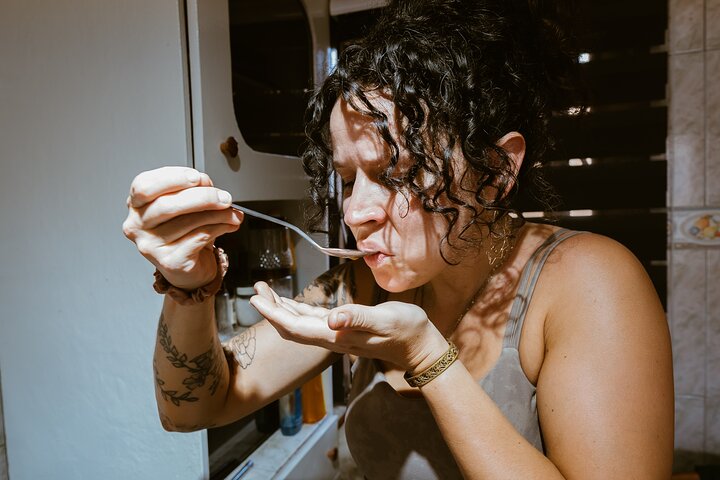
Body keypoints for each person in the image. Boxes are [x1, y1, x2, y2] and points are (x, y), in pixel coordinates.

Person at [122, 0, 674, 477]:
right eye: (347, 179)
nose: (355, 212)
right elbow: (191, 408)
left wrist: (426, 354)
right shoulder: (362, 284)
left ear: (495, 171)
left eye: (398, 173)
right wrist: (187, 286)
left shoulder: (590, 283)